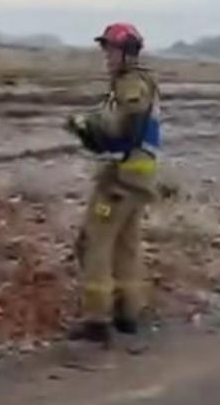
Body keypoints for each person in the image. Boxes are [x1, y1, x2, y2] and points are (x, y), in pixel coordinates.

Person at [65, 22, 161, 346]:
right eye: (105, 50)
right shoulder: (137, 82)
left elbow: (124, 130)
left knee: (95, 242)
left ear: (127, 53)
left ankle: (97, 320)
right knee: (125, 246)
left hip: (122, 180)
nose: (106, 56)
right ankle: (126, 314)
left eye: (111, 50)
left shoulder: (130, 85)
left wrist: (87, 130)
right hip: (138, 179)